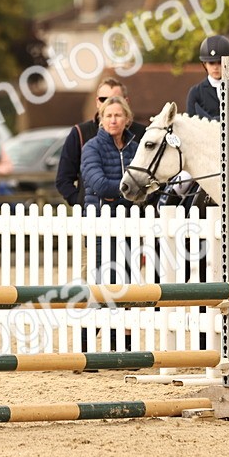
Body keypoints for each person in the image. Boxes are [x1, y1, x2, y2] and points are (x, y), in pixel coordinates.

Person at [79, 95, 141, 353]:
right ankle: (87, 345)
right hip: (100, 223)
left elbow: (146, 183)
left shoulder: (135, 148)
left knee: (126, 283)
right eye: (108, 115)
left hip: (128, 222)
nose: (113, 119)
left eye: (118, 115)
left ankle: (122, 345)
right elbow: (99, 184)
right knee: (99, 284)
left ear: (127, 119)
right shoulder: (91, 147)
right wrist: (129, 190)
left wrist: (123, 193)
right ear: (101, 120)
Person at [56, 77, 143, 207]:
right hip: (97, 215)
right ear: (97, 102)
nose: (110, 102)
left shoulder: (141, 135)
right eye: (104, 99)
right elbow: (64, 179)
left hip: (133, 216)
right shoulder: (80, 133)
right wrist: (80, 201)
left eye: (116, 99)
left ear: (126, 103)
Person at [184, 34, 229, 131]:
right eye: (211, 63)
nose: (215, 67)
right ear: (204, 64)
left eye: (220, 62)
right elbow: (190, 127)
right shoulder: (195, 92)